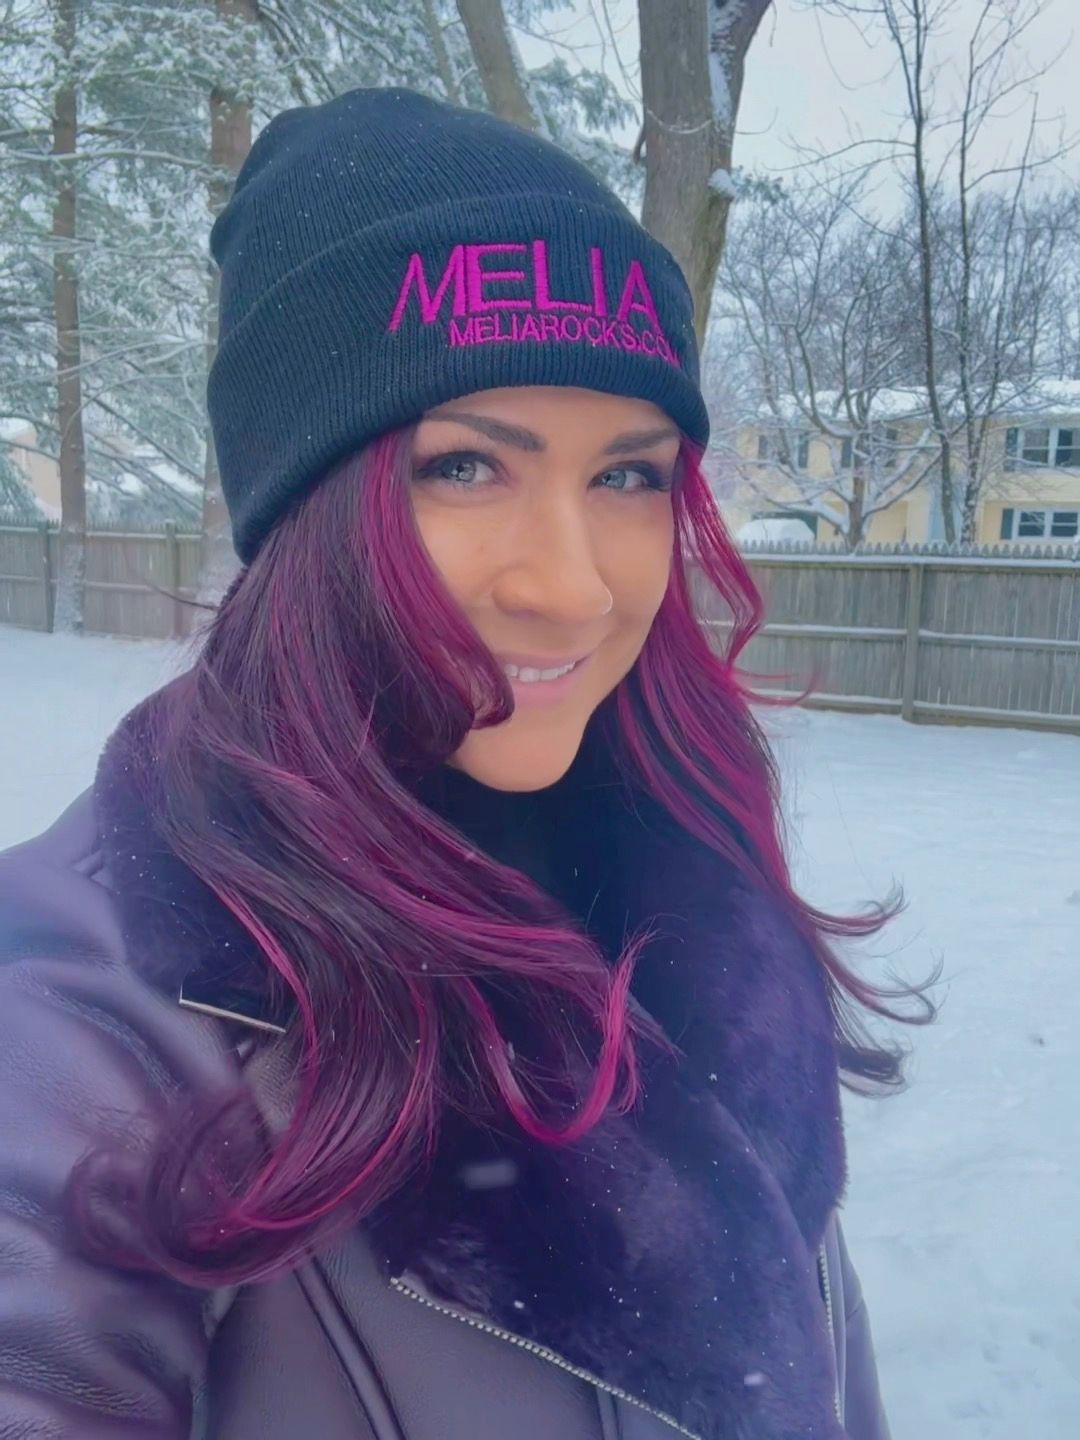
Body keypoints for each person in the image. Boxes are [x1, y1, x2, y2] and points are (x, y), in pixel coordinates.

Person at [0, 89, 909, 1440]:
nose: (574, 588)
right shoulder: (83, 1010)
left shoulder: (697, 903)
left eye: (628, 476)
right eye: (469, 466)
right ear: (306, 505)